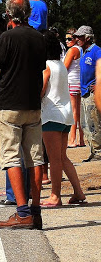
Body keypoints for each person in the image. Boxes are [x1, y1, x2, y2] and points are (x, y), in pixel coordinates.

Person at [0, 0, 46, 230]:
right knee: (35, 158)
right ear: (28, 13)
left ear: (9, 13)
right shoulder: (39, 38)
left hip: (9, 104)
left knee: (12, 157)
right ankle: (36, 211)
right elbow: (40, 67)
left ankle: (22, 212)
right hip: (33, 104)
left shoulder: (7, 37)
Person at [39, 31, 86, 207]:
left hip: (51, 115)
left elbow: (42, 89)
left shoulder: (46, 66)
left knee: (54, 159)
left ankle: (55, 195)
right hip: (65, 115)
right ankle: (78, 192)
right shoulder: (59, 64)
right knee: (62, 157)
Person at [76, 25, 101, 162]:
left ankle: (98, 151)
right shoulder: (84, 52)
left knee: (94, 123)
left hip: (92, 94)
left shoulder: (96, 51)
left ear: (87, 38)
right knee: (86, 123)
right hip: (84, 92)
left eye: (80, 37)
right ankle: (94, 150)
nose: (77, 39)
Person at [64, 29, 84, 148]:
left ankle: (72, 139)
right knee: (79, 112)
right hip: (79, 82)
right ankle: (81, 138)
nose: (67, 41)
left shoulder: (72, 50)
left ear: (75, 39)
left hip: (71, 82)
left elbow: (65, 66)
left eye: (69, 39)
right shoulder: (81, 49)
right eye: (66, 38)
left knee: (73, 111)